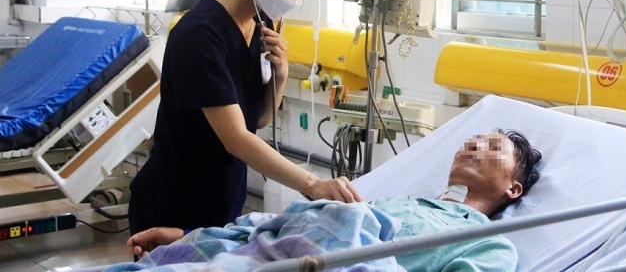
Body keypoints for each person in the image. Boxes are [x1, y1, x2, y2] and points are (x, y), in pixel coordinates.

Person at [128, 0, 360, 236]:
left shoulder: (260, 24)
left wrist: (280, 74)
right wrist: (311, 183)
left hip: (222, 199)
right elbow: (235, 137)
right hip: (175, 201)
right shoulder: (200, 34)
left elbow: (260, 119)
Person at [123, 129, 542, 272]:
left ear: (513, 189)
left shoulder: (490, 244)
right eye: (472, 141)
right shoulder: (392, 203)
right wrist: (191, 236)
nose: (474, 146)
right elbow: (289, 228)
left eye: (493, 148)